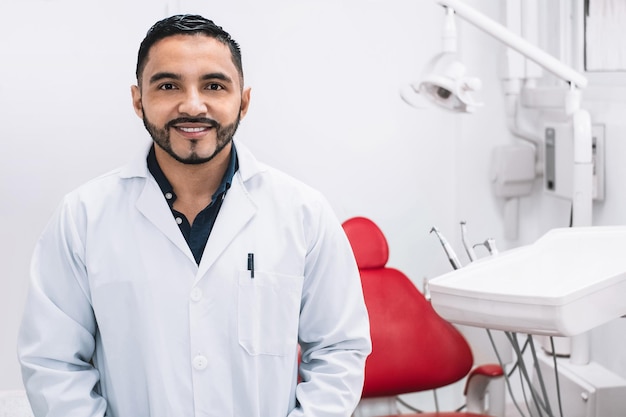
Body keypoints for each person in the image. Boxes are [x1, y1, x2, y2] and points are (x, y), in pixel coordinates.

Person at [17, 14, 371, 417]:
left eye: (214, 86)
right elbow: (53, 364)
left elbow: (339, 351)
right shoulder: (82, 217)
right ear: (138, 100)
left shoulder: (303, 213)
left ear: (244, 100)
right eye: (168, 85)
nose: (192, 104)